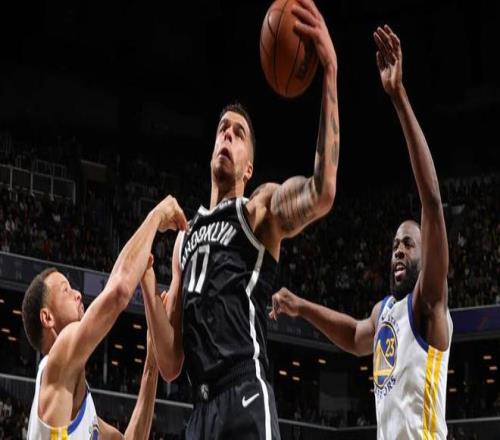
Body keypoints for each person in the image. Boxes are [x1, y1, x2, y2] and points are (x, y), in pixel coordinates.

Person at [142, 0, 340, 438]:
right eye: (222, 130)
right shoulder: (184, 238)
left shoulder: (257, 211)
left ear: (249, 167)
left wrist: (330, 71)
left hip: (244, 396)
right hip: (200, 411)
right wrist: (147, 286)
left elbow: (322, 191)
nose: (227, 136)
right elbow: (171, 364)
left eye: (239, 133)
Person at [270, 25, 452, 440]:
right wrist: (300, 306)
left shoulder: (429, 302)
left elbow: (432, 203)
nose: (398, 251)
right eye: (395, 245)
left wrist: (398, 97)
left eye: (408, 244)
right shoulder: (385, 312)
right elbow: (354, 335)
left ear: (426, 254)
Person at [22, 195, 187, 439]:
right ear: (47, 318)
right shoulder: (56, 359)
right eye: (66, 290)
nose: (78, 294)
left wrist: (152, 361)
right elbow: (118, 292)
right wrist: (156, 216)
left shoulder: (81, 405)